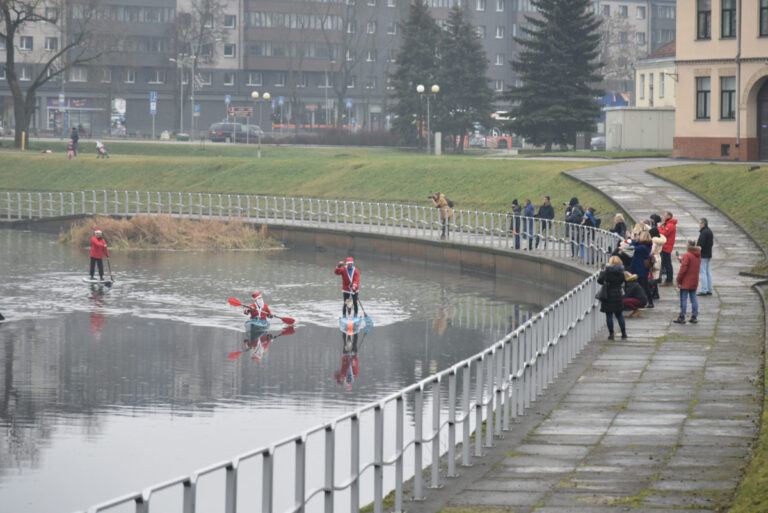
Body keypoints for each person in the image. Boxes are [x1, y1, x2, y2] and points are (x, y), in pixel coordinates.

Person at [597, 255, 627, 340]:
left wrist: (602, 271)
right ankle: (623, 333)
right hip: (618, 295)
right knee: (619, 315)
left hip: (608, 295)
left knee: (609, 315)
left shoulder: (607, 272)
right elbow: (624, 281)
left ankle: (611, 334)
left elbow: (600, 281)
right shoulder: (621, 273)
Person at [674, 240, 702, 324]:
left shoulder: (687, 255)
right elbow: (691, 264)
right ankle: (694, 316)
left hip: (686, 280)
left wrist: (678, 279)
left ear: (689, 246)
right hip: (694, 280)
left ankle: (682, 316)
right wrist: (681, 260)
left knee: (683, 298)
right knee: (693, 298)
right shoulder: (698, 255)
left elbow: (683, 269)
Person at [629, 231, 655, 309]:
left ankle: (645, 301)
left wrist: (632, 240)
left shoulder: (643, 247)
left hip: (639, 268)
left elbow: (631, 247)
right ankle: (649, 302)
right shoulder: (647, 245)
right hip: (642, 268)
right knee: (644, 285)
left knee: (642, 286)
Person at [658, 211, 678, 286]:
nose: (664, 216)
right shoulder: (668, 224)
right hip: (666, 246)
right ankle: (668, 280)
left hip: (667, 247)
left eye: (665, 215)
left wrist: (659, 227)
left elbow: (664, 233)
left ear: (669, 216)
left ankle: (669, 280)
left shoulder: (670, 225)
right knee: (666, 263)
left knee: (667, 264)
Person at [697, 218, 714, 296]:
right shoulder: (709, 231)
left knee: (702, 272)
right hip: (708, 254)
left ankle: (704, 289)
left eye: (700, 223)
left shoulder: (704, 232)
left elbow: (701, 244)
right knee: (708, 272)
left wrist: (696, 249)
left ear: (703, 224)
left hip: (703, 255)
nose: (699, 225)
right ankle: (709, 289)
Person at [649, 227, 667, 300]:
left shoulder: (654, 241)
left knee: (652, 277)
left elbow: (651, 251)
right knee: (655, 277)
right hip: (658, 258)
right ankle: (656, 293)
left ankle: (653, 293)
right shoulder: (660, 241)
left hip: (654, 259)